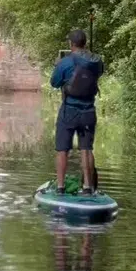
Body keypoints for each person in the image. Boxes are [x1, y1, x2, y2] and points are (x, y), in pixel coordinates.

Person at [50, 29, 104, 195]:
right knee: (86, 149)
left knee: (62, 149)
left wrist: (58, 65)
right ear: (85, 43)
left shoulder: (65, 62)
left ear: (70, 44)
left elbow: (54, 82)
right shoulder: (97, 62)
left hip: (69, 111)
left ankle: (60, 187)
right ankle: (88, 187)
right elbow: (99, 74)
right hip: (88, 111)